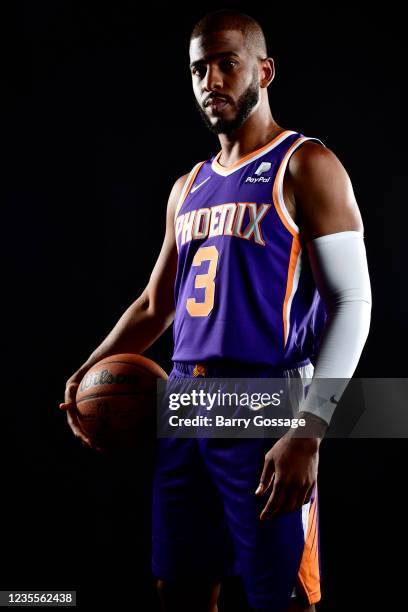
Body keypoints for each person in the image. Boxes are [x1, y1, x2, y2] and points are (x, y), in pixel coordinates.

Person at [59, 10, 371, 612]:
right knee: (179, 585)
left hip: (264, 401)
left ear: (264, 69)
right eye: (199, 68)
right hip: (184, 402)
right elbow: (158, 303)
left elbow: (351, 302)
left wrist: (309, 430)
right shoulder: (190, 185)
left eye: (228, 62)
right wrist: (87, 369)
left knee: (277, 595)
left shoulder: (307, 164)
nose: (211, 80)